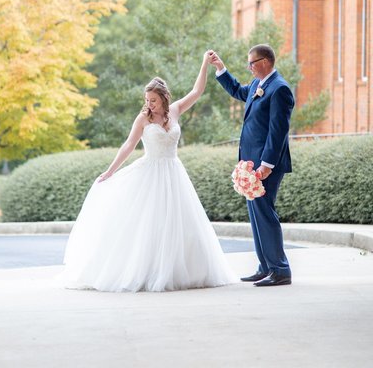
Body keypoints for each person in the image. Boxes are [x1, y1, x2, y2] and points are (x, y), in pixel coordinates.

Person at [59, 51, 238, 292]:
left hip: (174, 172)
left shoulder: (174, 111)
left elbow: (196, 92)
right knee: (149, 224)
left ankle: (179, 270)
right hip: (149, 173)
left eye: (153, 100)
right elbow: (128, 145)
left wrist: (206, 64)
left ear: (163, 98)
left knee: (178, 223)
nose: (149, 104)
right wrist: (110, 171)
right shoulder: (142, 119)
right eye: (146, 100)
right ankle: (148, 271)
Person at [209, 44, 294, 287]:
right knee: (256, 215)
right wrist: (221, 68)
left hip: (266, 165)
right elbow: (237, 90)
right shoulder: (258, 85)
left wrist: (266, 164)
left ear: (266, 61)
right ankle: (265, 266)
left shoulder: (279, 89)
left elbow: (277, 132)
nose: (249, 67)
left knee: (265, 214)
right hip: (251, 164)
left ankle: (280, 269)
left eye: (252, 63)